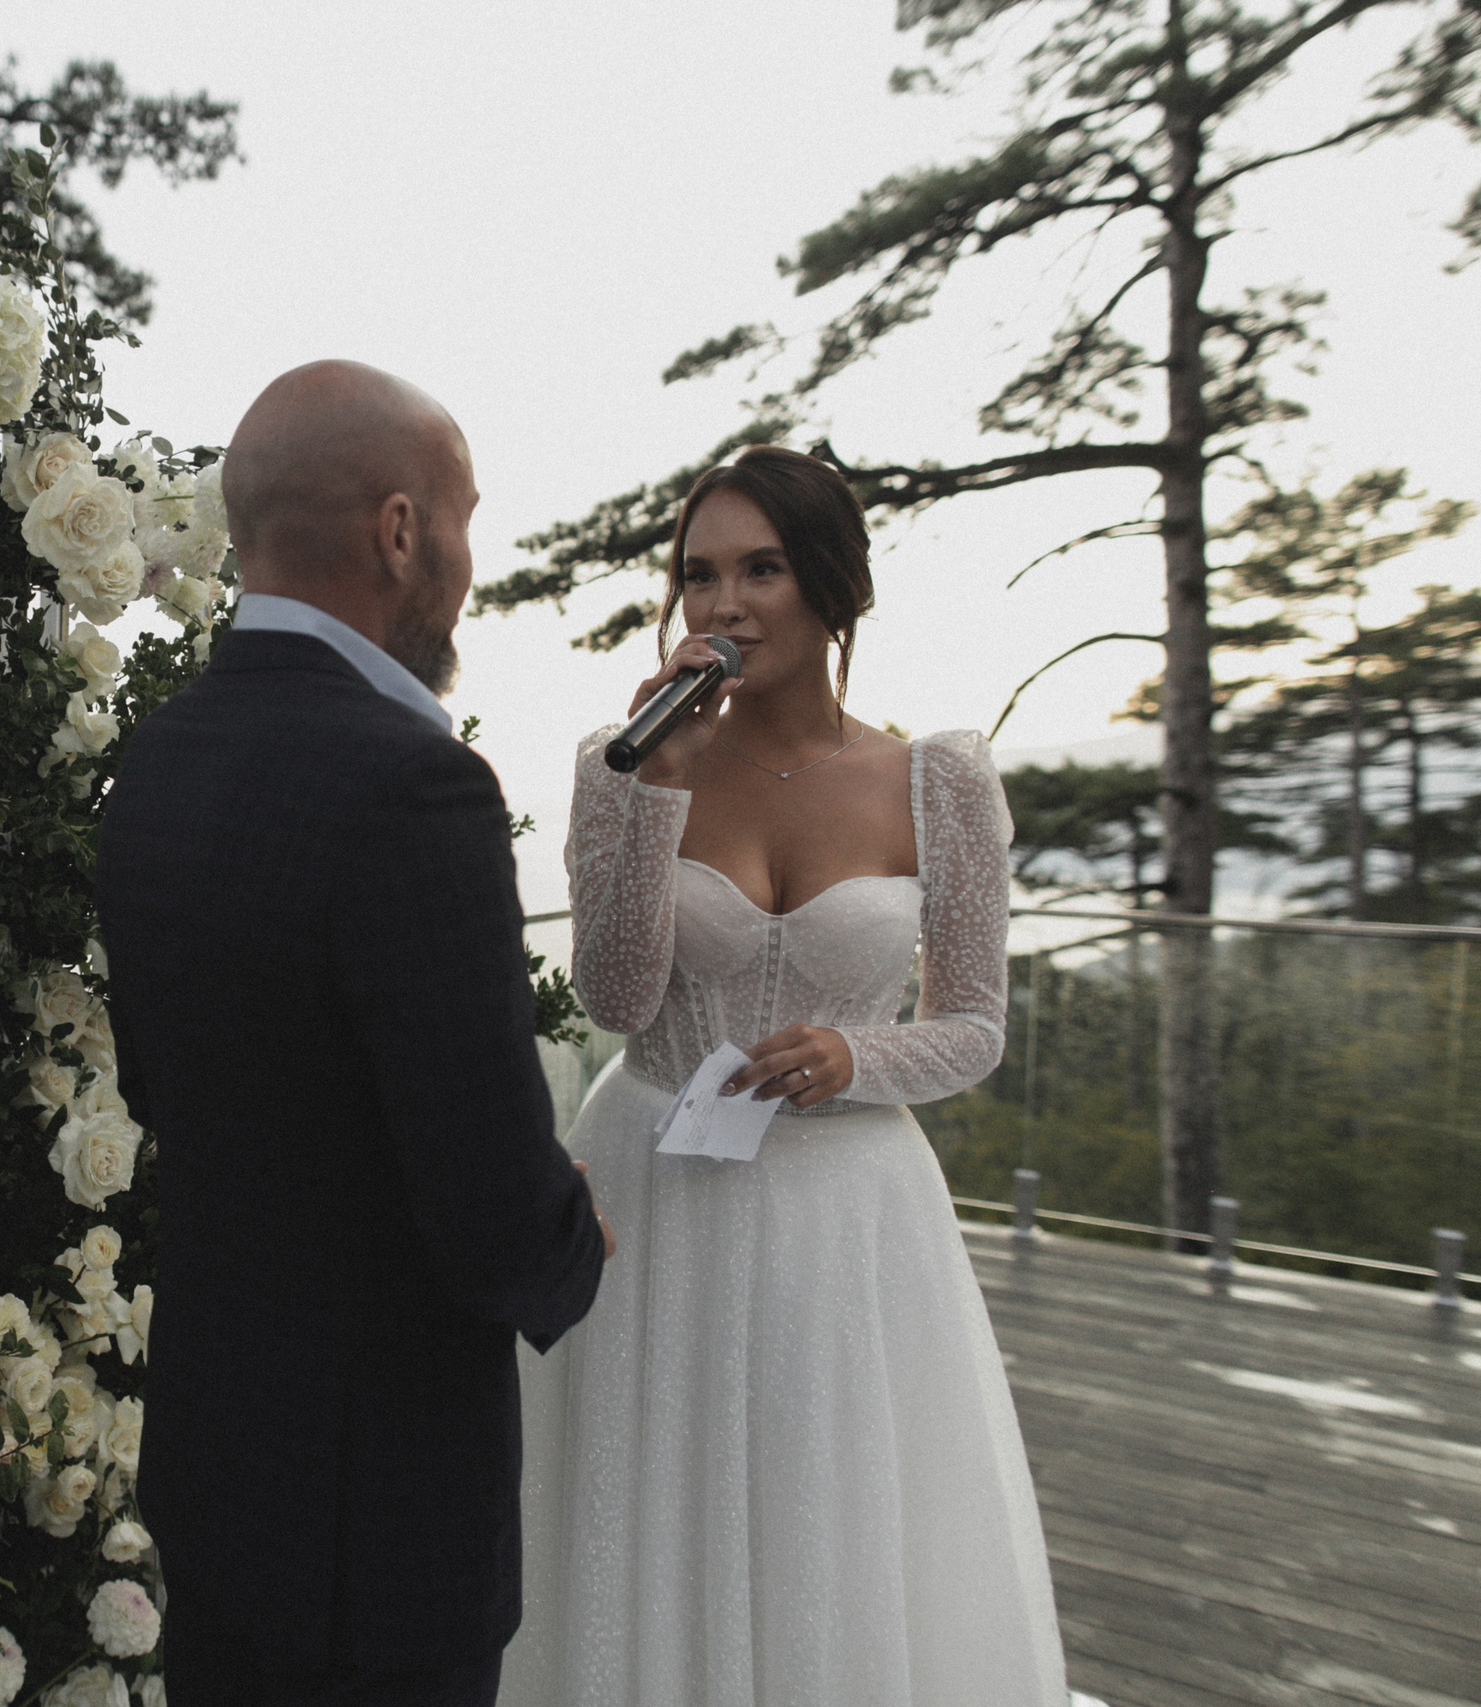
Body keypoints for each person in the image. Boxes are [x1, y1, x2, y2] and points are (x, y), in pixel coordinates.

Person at [503, 444, 1069, 1707]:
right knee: (646, 1494)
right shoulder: (623, 763)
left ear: (830, 587)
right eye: (699, 574)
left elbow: (973, 1025)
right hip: (654, 1190)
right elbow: (614, 997)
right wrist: (647, 797)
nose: (724, 604)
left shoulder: (939, 781)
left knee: (825, 1503)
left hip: (845, 1214)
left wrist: (855, 1054)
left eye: (760, 569)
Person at [97, 360, 613, 1707]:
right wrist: (573, 1237)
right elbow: (494, 1196)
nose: (466, 560)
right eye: (462, 519)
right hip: (379, 1523)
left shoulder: (160, 753)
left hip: (218, 1473)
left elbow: (163, 1082)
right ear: (400, 531)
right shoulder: (412, 785)